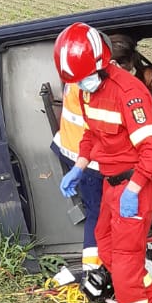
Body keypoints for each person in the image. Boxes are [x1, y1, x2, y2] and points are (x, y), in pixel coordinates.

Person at [55, 23, 152, 303]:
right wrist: (79, 166)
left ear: (101, 63)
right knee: (106, 250)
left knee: (123, 260)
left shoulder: (129, 93)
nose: (81, 85)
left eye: (84, 78)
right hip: (111, 182)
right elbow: (92, 135)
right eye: (75, 80)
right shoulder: (87, 90)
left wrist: (133, 190)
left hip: (136, 184)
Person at [52, 72, 103, 281]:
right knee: (97, 213)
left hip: (71, 148)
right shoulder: (91, 85)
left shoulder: (76, 74)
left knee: (96, 211)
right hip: (85, 159)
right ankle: (92, 272)